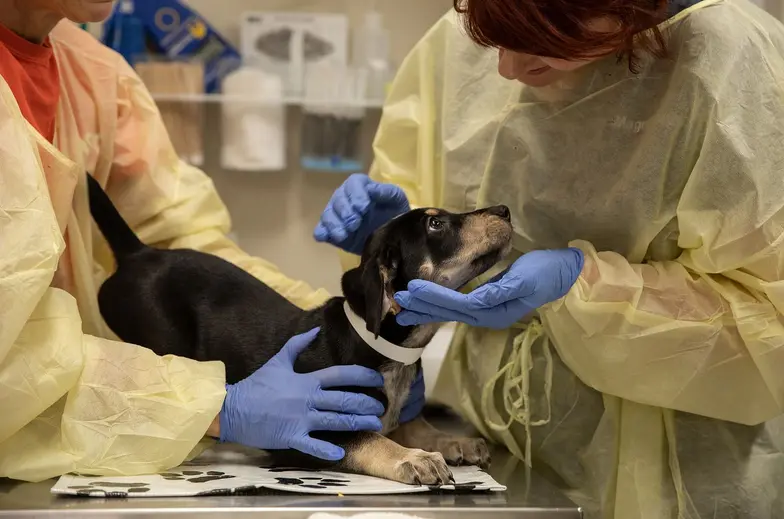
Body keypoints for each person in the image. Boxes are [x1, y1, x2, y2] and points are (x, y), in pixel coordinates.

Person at [315, 0, 784, 516]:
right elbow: (411, 279)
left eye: (549, 42)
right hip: (492, 448)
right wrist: (391, 240)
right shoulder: (479, 26)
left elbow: (767, 325)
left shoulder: (732, 60)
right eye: (493, 43)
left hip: (679, 471)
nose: (507, 68)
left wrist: (587, 286)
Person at [0, 0, 424, 482]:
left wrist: (361, 336)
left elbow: (186, 243)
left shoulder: (92, 74)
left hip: (68, 440)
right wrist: (212, 405)